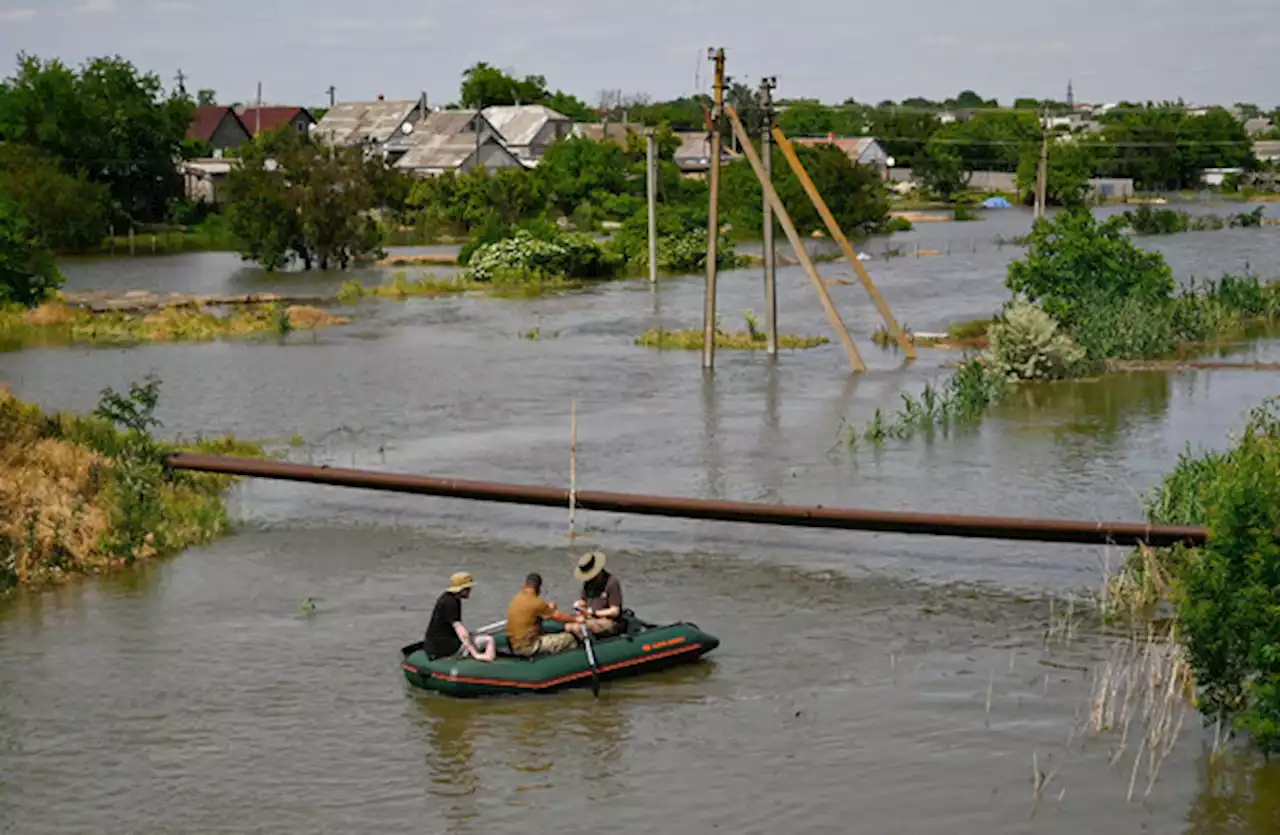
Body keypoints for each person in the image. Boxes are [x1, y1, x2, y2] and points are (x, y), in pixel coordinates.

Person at [424, 572, 496, 662]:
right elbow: (459, 628)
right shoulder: (451, 603)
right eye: (468, 588)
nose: (470, 590)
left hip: (437, 643)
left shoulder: (447, 598)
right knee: (489, 639)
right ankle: (489, 661)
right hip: (444, 647)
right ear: (461, 589)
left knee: (476, 636)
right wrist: (475, 654)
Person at [506, 572, 583, 657]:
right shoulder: (537, 602)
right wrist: (576, 619)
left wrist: (549, 608)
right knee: (569, 638)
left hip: (513, 645)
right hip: (528, 647)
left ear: (525, 584)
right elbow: (558, 616)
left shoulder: (516, 598)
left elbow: (537, 611)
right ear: (539, 588)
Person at [570, 551, 623, 638]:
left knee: (577, 627)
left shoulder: (612, 583)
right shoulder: (588, 583)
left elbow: (615, 611)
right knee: (568, 626)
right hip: (590, 618)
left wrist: (594, 613)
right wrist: (579, 604)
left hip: (609, 621)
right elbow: (584, 601)